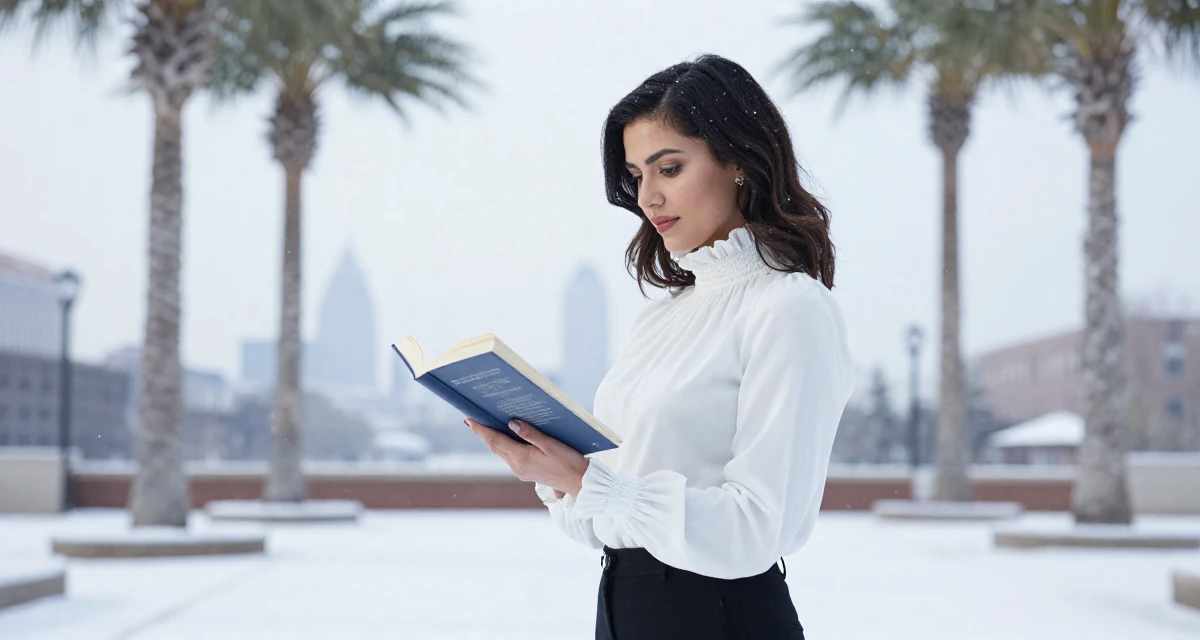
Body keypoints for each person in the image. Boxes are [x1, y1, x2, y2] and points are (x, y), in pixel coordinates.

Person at [465, 54, 854, 640]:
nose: (647, 196)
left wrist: (590, 484)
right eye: (636, 176)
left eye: (668, 168)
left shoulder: (789, 308)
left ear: (739, 162)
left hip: (720, 616)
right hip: (625, 608)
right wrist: (553, 471)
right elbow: (604, 525)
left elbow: (754, 530)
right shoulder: (664, 317)